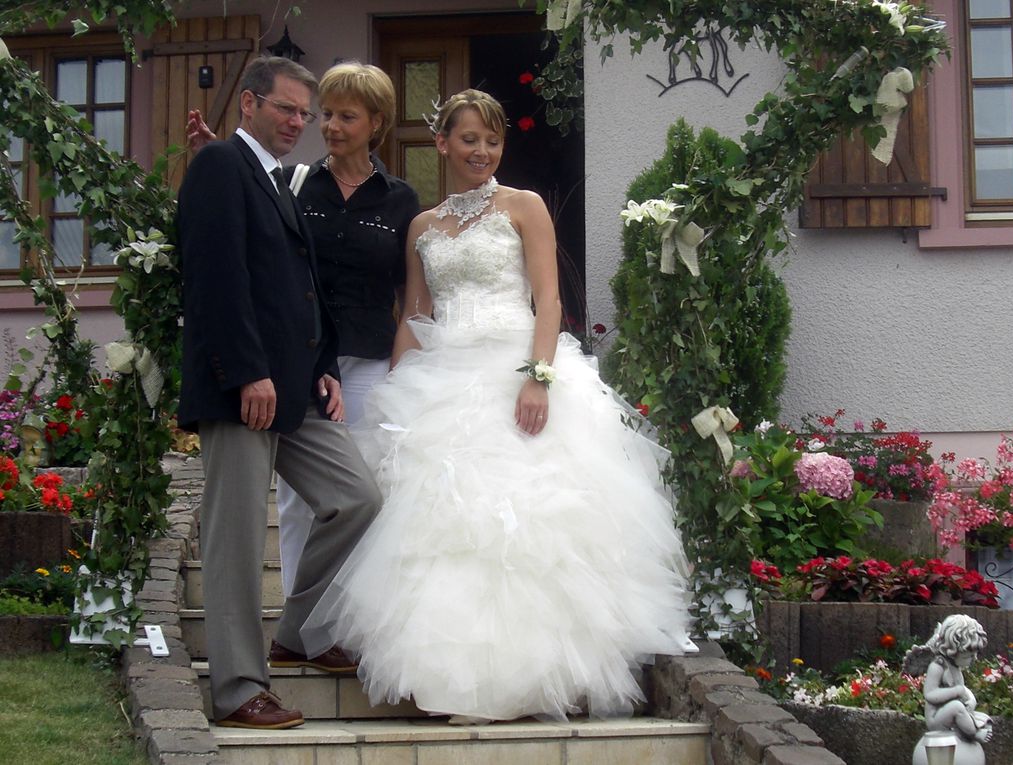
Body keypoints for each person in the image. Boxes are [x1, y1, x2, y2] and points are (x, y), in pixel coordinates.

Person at [301, 89, 694, 724]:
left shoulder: (524, 207)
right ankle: (454, 678)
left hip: (516, 372)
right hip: (444, 376)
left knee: (524, 528)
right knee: (445, 534)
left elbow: (549, 301)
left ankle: (528, 679)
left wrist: (538, 377)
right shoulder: (423, 226)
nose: (482, 151)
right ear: (443, 144)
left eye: (493, 140)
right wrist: (401, 387)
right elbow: (416, 313)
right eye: (469, 139)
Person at [177, 56, 381, 730]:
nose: (299, 122)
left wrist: (322, 363)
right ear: (249, 105)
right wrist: (245, 371)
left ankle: (296, 630)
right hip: (242, 388)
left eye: (305, 112)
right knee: (235, 537)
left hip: (295, 388)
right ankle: (238, 688)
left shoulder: (276, 181)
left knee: (357, 497)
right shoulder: (219, 168)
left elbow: (296, 287)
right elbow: (215, 277)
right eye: (286, 108)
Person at [187, 62, 419, 598]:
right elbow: (240, 221)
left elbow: (409, 294)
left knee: (361, 493)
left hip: (366, 362)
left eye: (345, 116)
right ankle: (300, 616)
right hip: (298, 360)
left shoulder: (401, 199)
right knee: (295, 502)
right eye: (326, 115)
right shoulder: (293, 180)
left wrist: (406, 364)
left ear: (376, 123)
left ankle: (349, 618)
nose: (329, 126)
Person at [905, 614, 993, 745]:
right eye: (969, 655)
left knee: (977, 715)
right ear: (953, 650)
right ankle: (975, 733)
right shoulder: (938, 666)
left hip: (951, 715)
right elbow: (930, 694)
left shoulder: (955, 667)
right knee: (957, 707)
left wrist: (971, 699)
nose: (974, 659)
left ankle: (970, 729)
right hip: (936, 718)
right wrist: (956, 691)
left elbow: (962, 688)